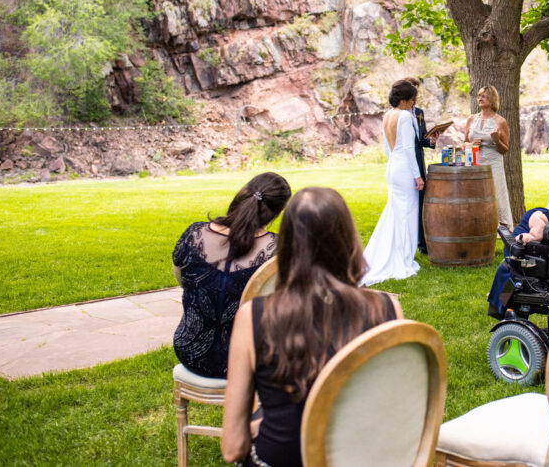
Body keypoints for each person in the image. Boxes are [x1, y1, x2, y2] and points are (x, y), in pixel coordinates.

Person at [221, 187, 401, 467]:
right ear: (348, 240)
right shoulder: (387, 308)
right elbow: (391, 410)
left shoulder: (252, 317)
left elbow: (232, 449)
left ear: (288, 245)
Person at [172, 172, 292, 378]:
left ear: (242, 194)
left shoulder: (194, 234)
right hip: (247, 357)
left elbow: (182, 281)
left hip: (190, 350)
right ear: (275, 214)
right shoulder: (278, 248)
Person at [487, 185, 549, 317]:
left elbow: (534, 237)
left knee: (505, 269)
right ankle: (498, 297)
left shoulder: (539, 216)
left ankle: (498, 303)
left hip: (520, 266)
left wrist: (519, 238)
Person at [361, 80, 424, 286]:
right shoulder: (405, 116)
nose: (414, 102)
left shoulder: (387, 115)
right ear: (406, 99)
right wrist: (417, 175)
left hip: (392, 166)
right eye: (413, 98)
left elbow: (388, 148)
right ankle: (403, 257)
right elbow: (407, 148)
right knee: (407, 212)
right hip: (405, 168)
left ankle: (394, 252)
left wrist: (393, 163)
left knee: (396, 211)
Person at [464, 85, 513, 228]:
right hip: (474, 164)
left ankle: (500, 229)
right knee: (475, 196)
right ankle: (477, 226)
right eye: (479, 96)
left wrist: (496, 140)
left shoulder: (500, 121)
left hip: (493, 165)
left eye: (483, 96)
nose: (479, 98)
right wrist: (471, 145)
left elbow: (504, 150)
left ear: (492, 100)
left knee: (496, 197)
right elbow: (464, 143)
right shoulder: (471, 119)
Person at [404, 76, 439, 255]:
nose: (415, 94)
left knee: (421, 203)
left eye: (417, 90)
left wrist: (431, 140)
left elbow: (422, 138)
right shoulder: (398, 114)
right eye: (412, 89)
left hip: (419, 159)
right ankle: (406, 241)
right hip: (405, 162)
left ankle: (422, 243)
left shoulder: (419, 112)